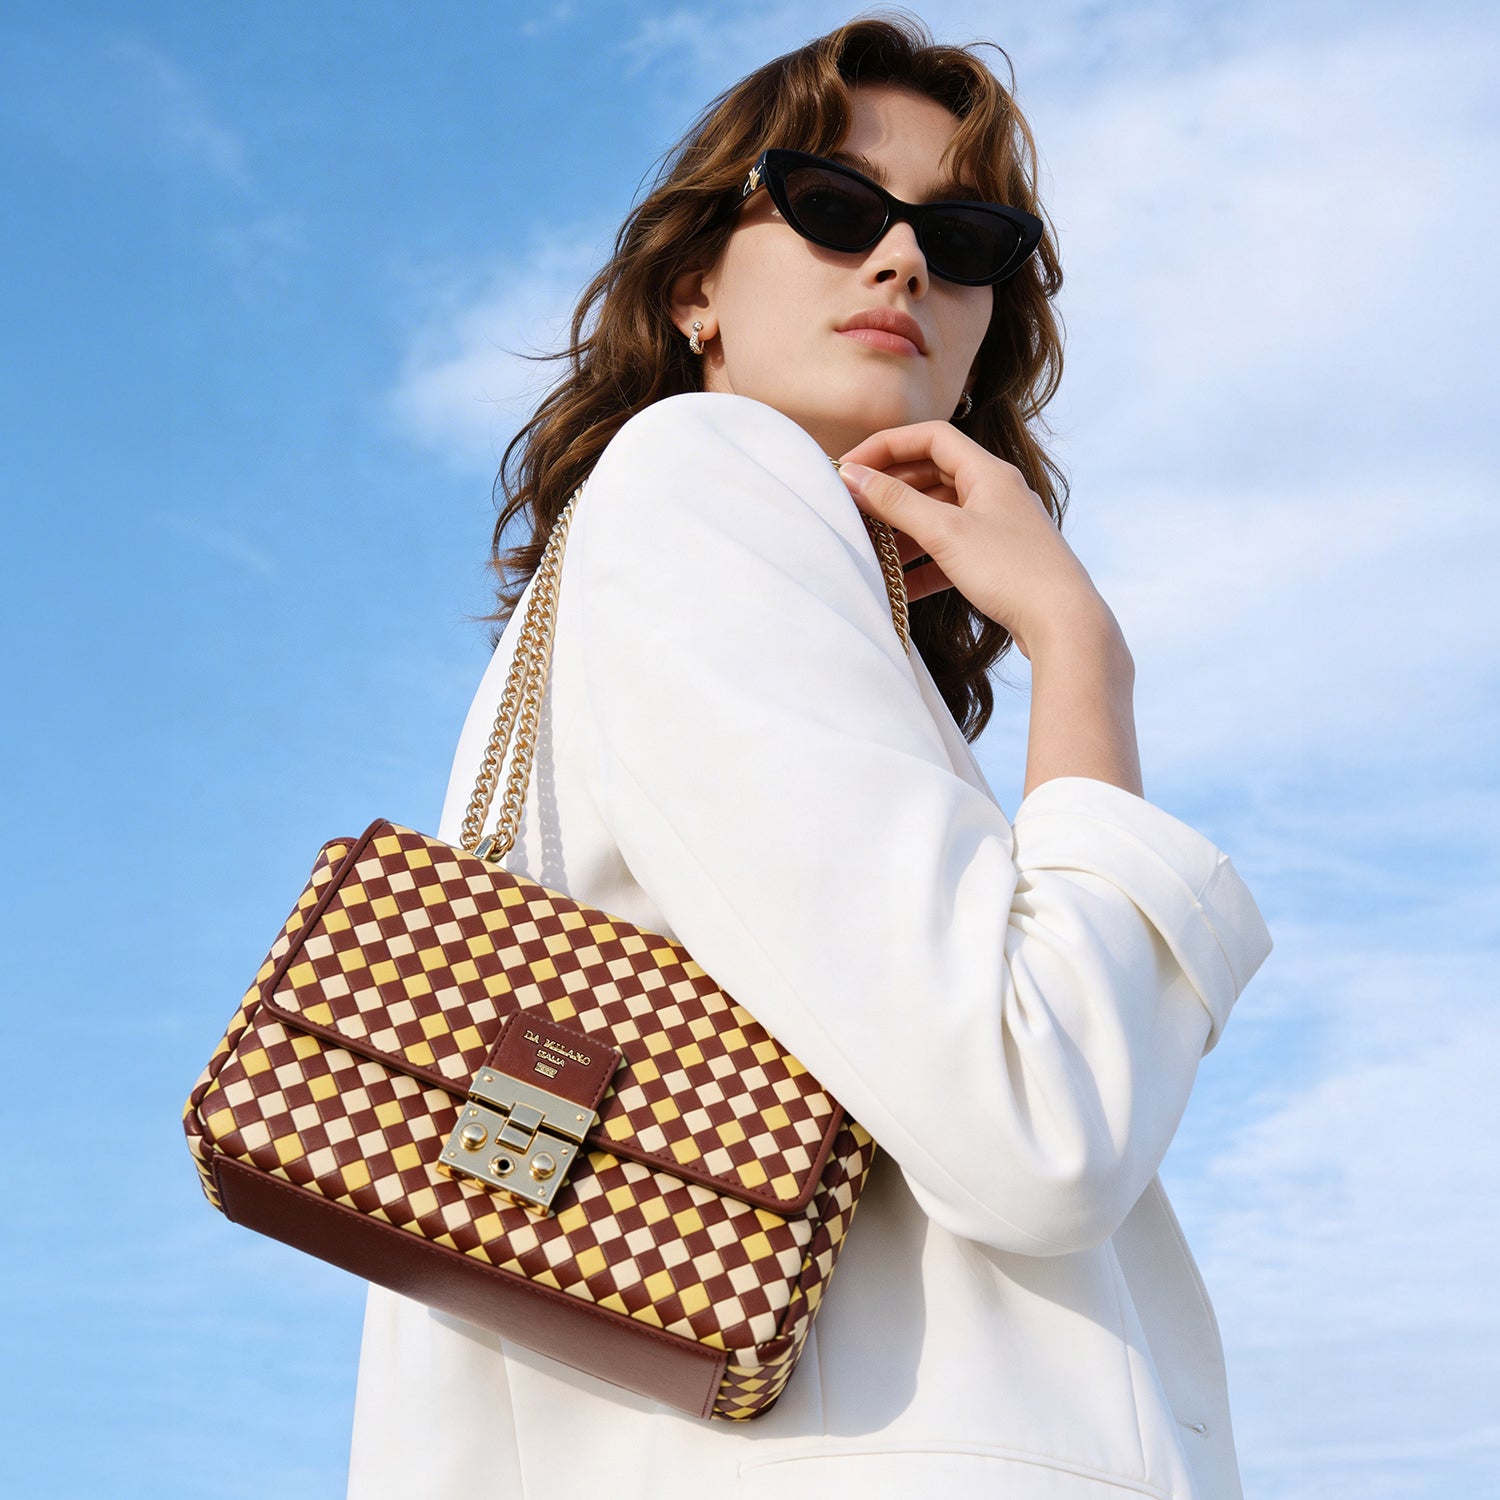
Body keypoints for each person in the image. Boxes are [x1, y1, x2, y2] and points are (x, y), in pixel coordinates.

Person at [346, 17, 1271, 1500]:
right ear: (695, 288)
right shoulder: (703, 473)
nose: (902, 262)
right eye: (835, 208)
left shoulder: (727, 563)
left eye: (963, 241)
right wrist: (1079, 648)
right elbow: (1041, 1125)